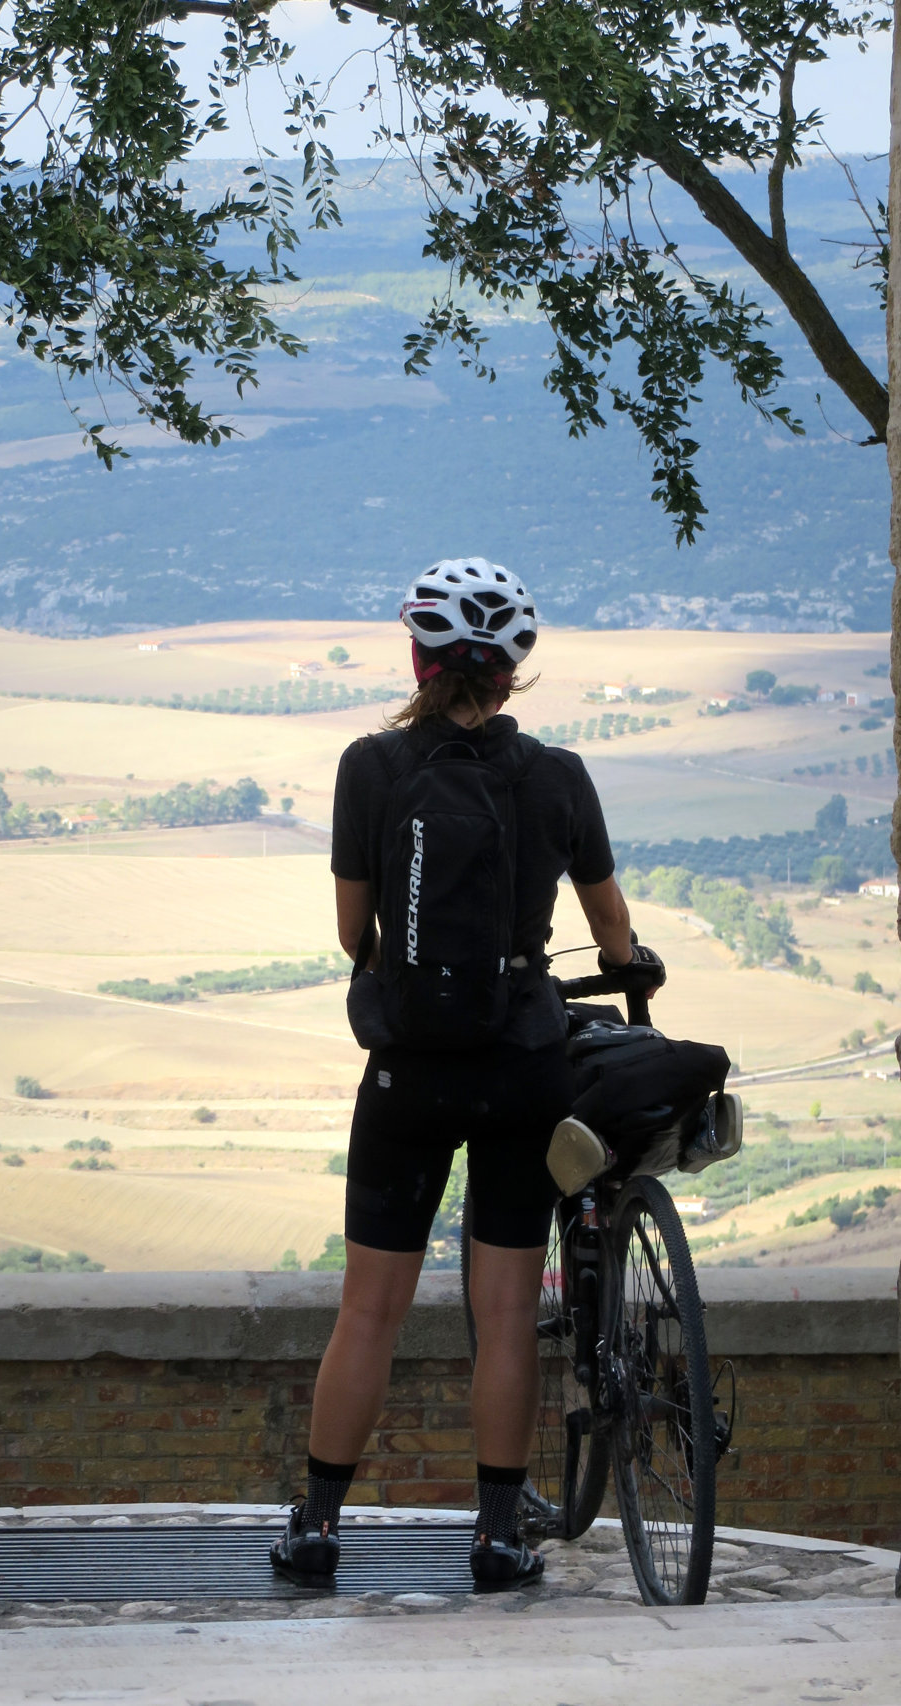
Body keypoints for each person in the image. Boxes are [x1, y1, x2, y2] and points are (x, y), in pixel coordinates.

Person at [270, 556, 663, 1592]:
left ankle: (314, 1528)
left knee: (368, 1310)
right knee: (501, 1310)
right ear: (510, 675)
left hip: (406, 1070)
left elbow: (354, 932)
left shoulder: (370, 766)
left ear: (416, 656)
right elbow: (608, 924)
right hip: (520, 1067)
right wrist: (628, 969)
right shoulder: (557, 775)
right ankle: (495, 1537)